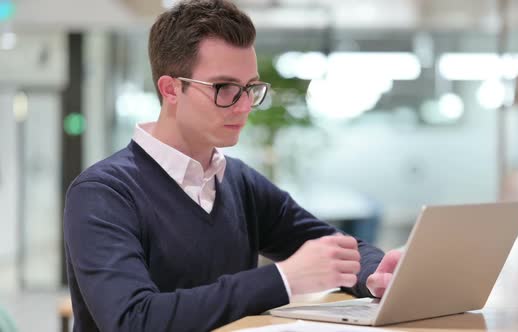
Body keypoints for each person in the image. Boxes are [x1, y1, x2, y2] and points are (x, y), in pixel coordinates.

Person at [63, 0, 402, 331]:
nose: (243, 107)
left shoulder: (238, 181)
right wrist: (283, 280)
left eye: (250, 89)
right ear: (170, 89)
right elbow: (133, 319)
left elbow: (336, 247)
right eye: (224, 88)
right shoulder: (103, 193)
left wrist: (378, 274)